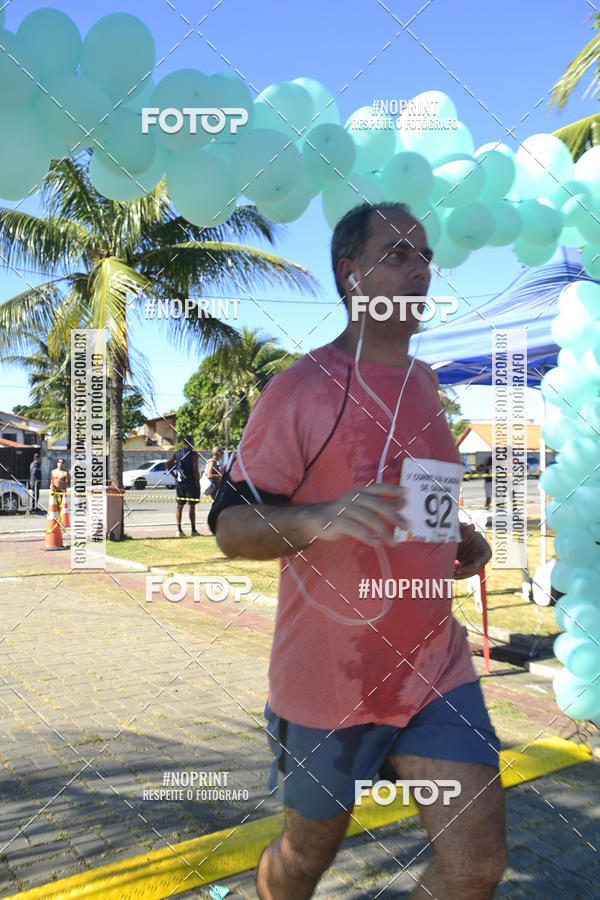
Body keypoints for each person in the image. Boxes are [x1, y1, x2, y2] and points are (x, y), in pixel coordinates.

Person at [209, 202, 507, 900]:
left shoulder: (427, 385)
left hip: (435, 670)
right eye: (398, 254)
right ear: (351, 275)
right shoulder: (303, 388)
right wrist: (321, 517)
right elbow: (230, 527)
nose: (420, 269)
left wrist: (458, 540)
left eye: (425, 256)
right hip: (330, 683)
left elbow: (422, 503)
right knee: (304, 859)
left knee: (477, 864)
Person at [167, 436, 200, 537]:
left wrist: (175, 476)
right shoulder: (194, 454)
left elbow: (167, 464)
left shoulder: (177, 453)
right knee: (191, 505)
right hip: (191, 483)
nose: (194, 443)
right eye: (193, 441)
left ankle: (179, 530)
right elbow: (195, 470)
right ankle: (193, 530)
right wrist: (198, 483)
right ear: (190, 442)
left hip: (180, 483)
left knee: (179, 506)